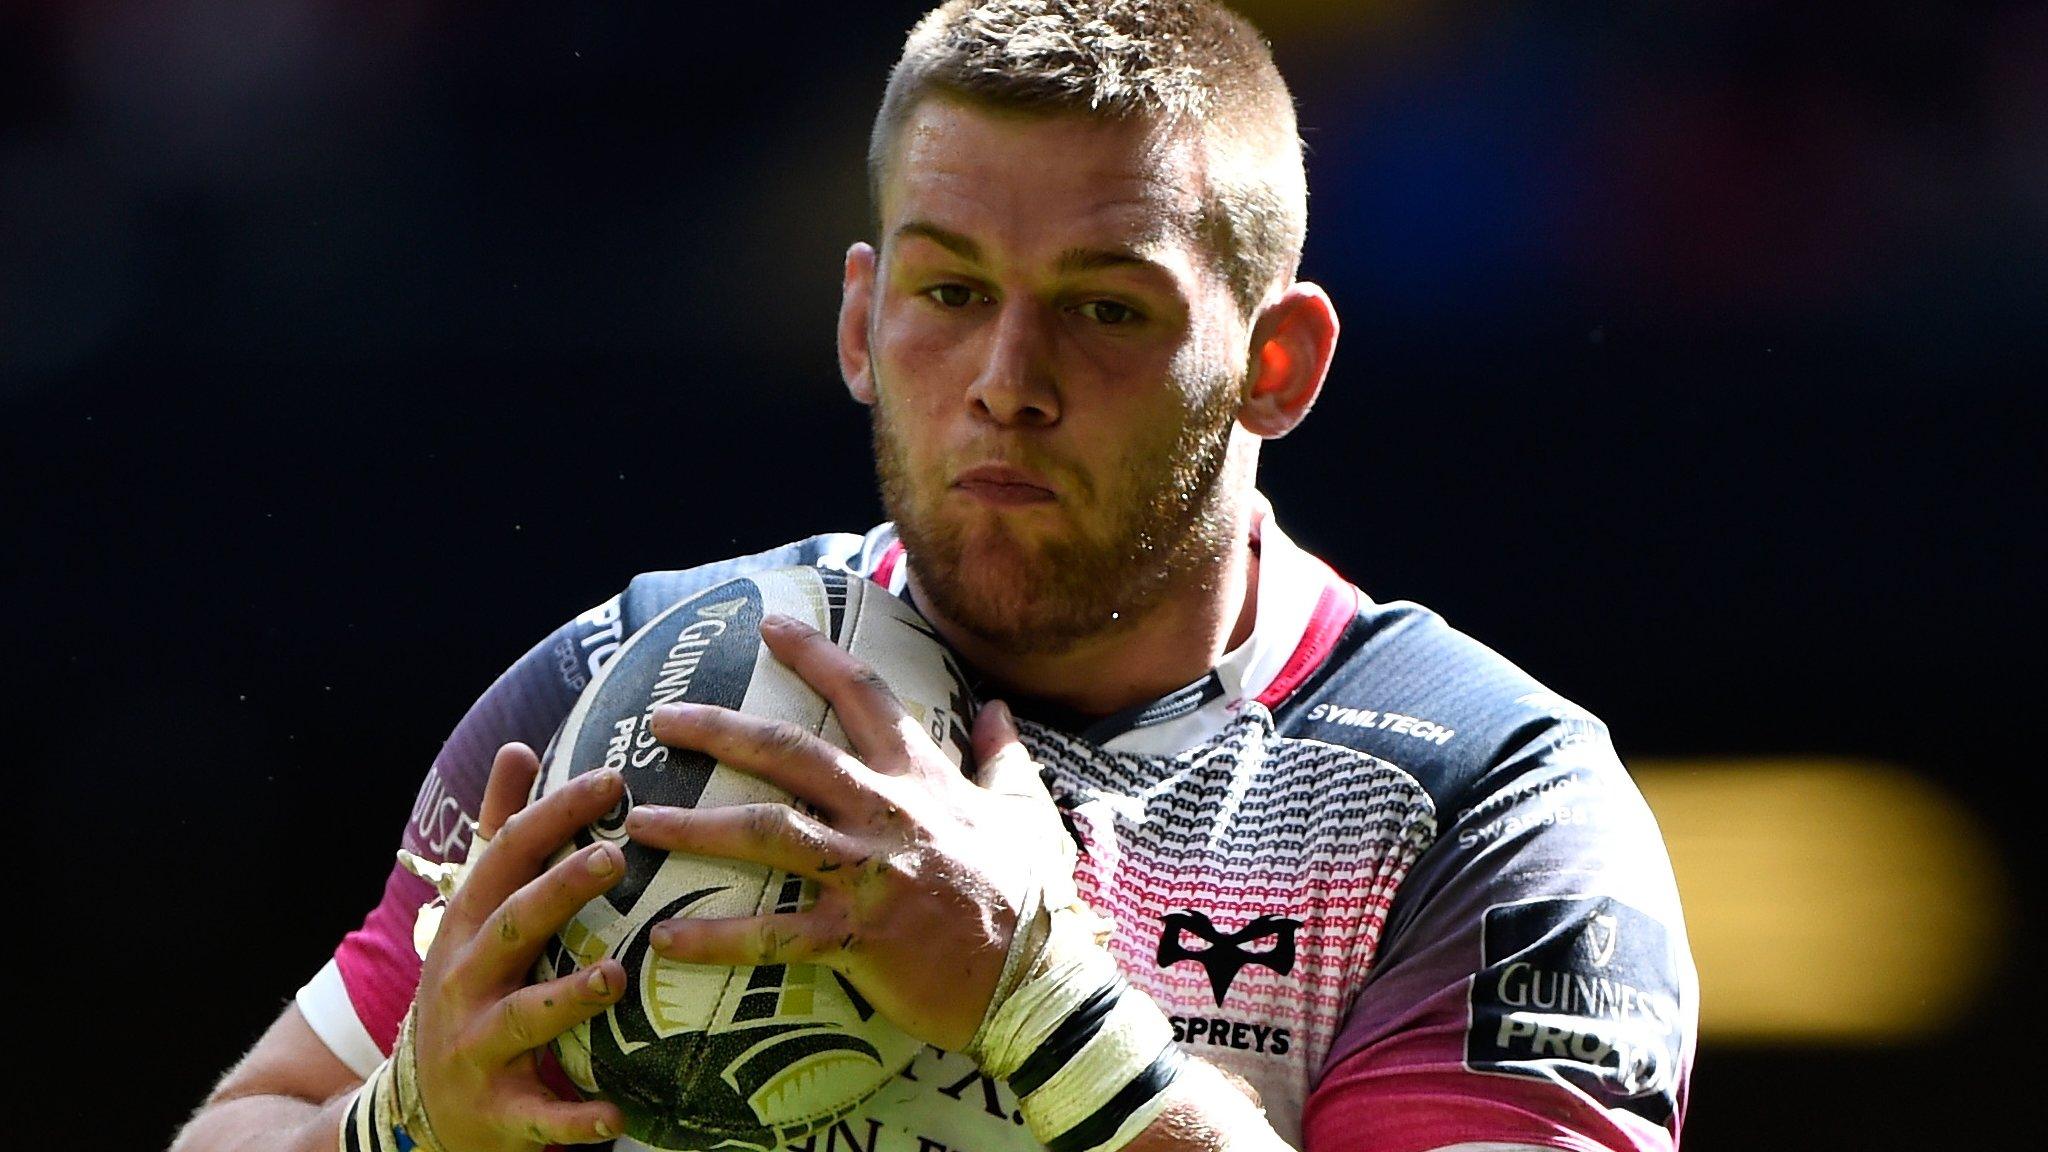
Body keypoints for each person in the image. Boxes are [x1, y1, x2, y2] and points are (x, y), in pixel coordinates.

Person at [171, 3, 1697, 1151]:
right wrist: (400, 1123)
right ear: (859, 319)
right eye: (950, 293)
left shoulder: (1493, 802)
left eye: (1105, 311)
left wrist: (1044, 1012)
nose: (1006, 381)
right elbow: (246, 1124)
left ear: (1278, 362)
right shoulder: (627, 689)